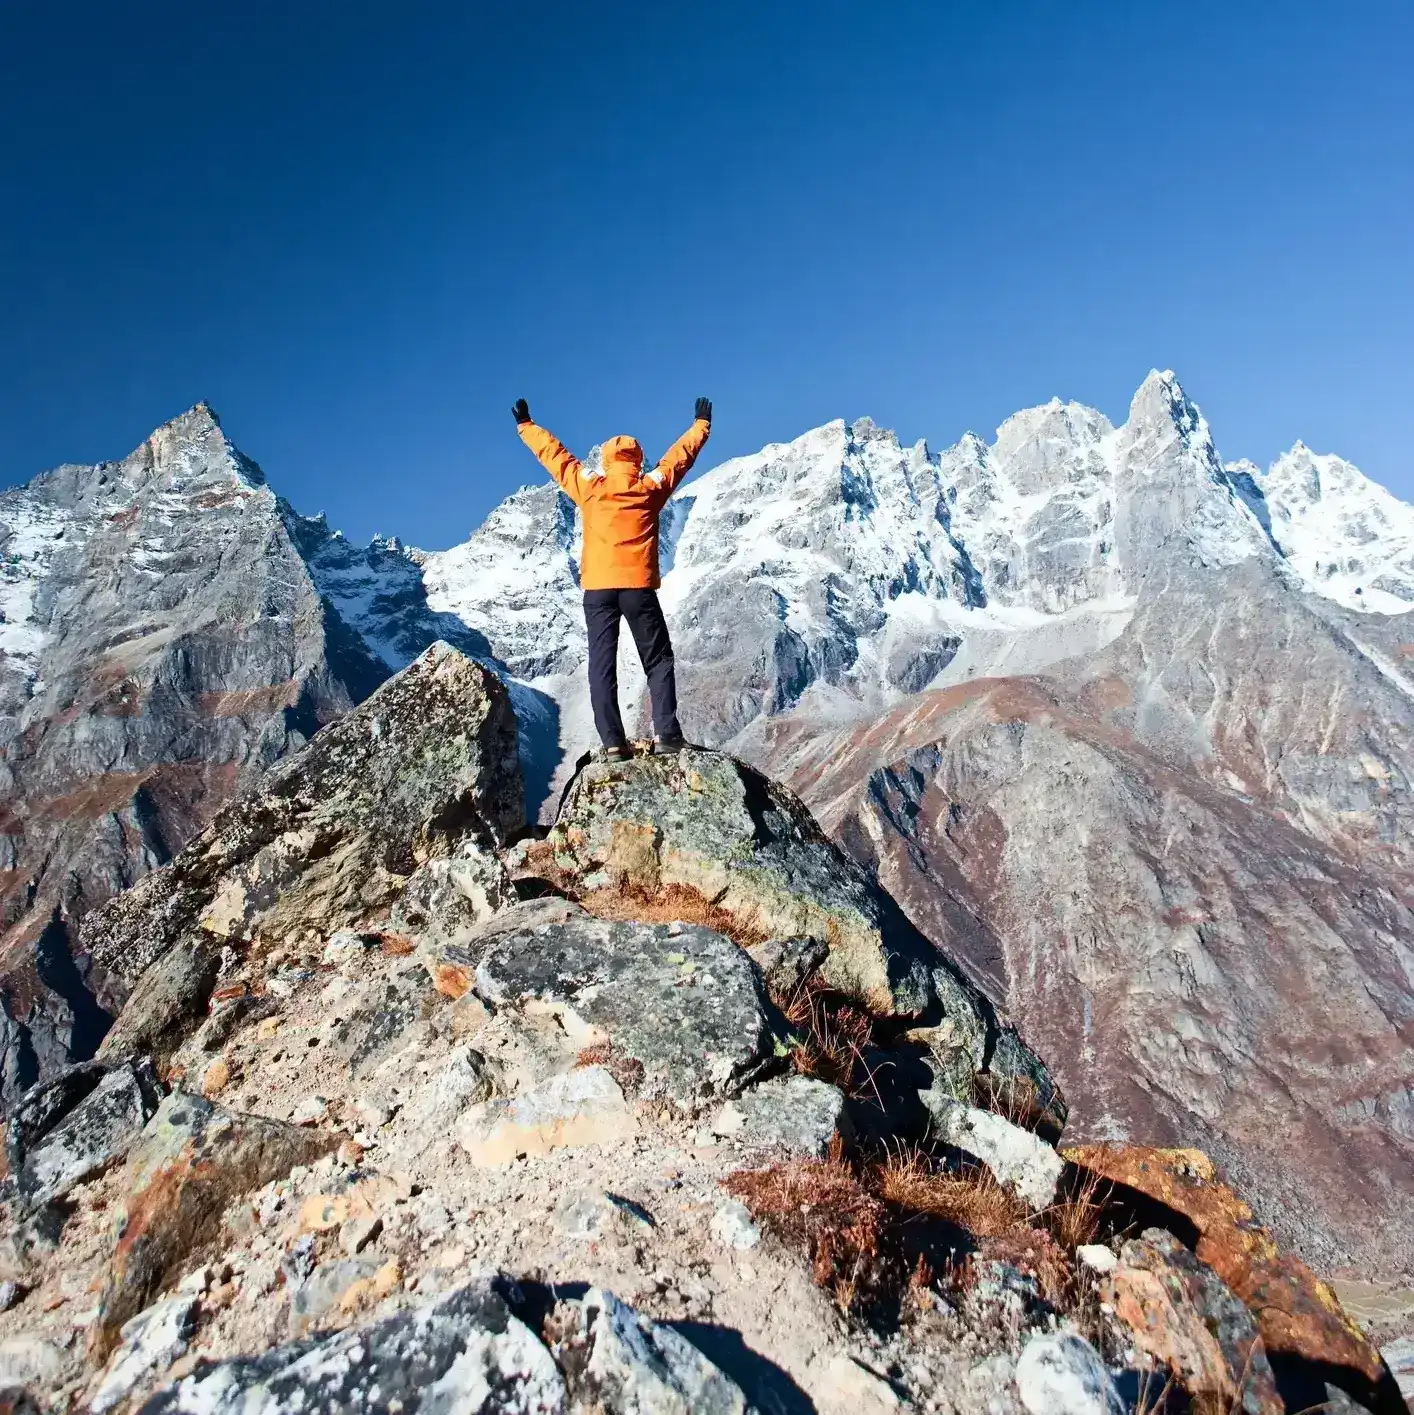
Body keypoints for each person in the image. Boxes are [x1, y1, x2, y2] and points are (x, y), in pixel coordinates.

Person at [512, 396, 712, 759]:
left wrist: (527, 426)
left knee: (601, 666)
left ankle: (613, 744)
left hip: (598, 590)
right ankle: (667, 735)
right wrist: (701, 425)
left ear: (605, 461)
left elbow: (555, 457)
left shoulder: (590, 487)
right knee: (658, 661)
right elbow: (679, 459)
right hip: (638, 589)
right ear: (636, 462)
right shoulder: (650, 488)